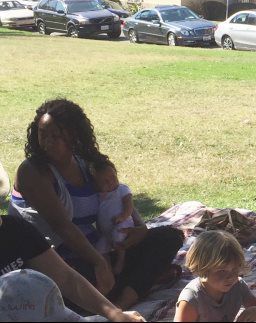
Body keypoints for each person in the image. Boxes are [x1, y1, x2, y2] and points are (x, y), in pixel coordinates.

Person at [10, 98, 184, 310]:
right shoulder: (33, 171)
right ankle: (131, 289)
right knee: (70, 288)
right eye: (42, 134)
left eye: (56, 136)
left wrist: (140, 228)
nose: (47, 142)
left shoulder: (87, 163)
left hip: (99, 248)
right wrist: (99, 263)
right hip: (58, 260)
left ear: (73, 135)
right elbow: (62, 226)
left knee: (170, 237)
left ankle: (119, 302)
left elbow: (117, 192)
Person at [0, 214, 143, 322]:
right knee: (15, 281)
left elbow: (66, 279)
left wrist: (115, 314)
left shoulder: (15, 229)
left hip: (39, 314)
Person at [174, 231, 256, 322]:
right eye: (222, 271)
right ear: (202, 267)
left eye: (235, 269)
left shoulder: (238, 286)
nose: (231, 277)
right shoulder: (191, 299)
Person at [91, 157, 135, 275]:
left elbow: (129, 205)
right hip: (106, 230)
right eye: (105, 181)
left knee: (118, 235)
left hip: (123, 223)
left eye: (113, 178)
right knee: (100, 247)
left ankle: (121, 260)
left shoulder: (122, 189)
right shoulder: (100, 195)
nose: (111, 182)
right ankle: (106, 267)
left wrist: (123, 216)